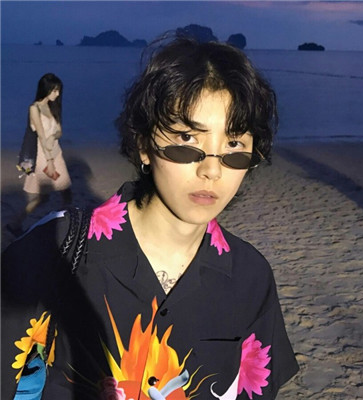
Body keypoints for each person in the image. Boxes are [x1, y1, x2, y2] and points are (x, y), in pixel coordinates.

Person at [2, 37, 298, 400]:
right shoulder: (54, 250)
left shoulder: (250, 277)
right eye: (187, 138)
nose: (212, 170)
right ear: (144, 145)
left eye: (234, 145)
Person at [8, 73, 72, 235]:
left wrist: (54, 136)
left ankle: (65, 224)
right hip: (44, 157)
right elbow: (41, 137)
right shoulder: (34, 108)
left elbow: (59, 131)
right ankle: (14, 225)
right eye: (55, 90)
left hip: (57, 154)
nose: (57, 94)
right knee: (43, 197)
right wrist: (50, 162)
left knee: (62, 192)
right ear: (46, 89)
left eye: (59, 91)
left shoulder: (53, 106)